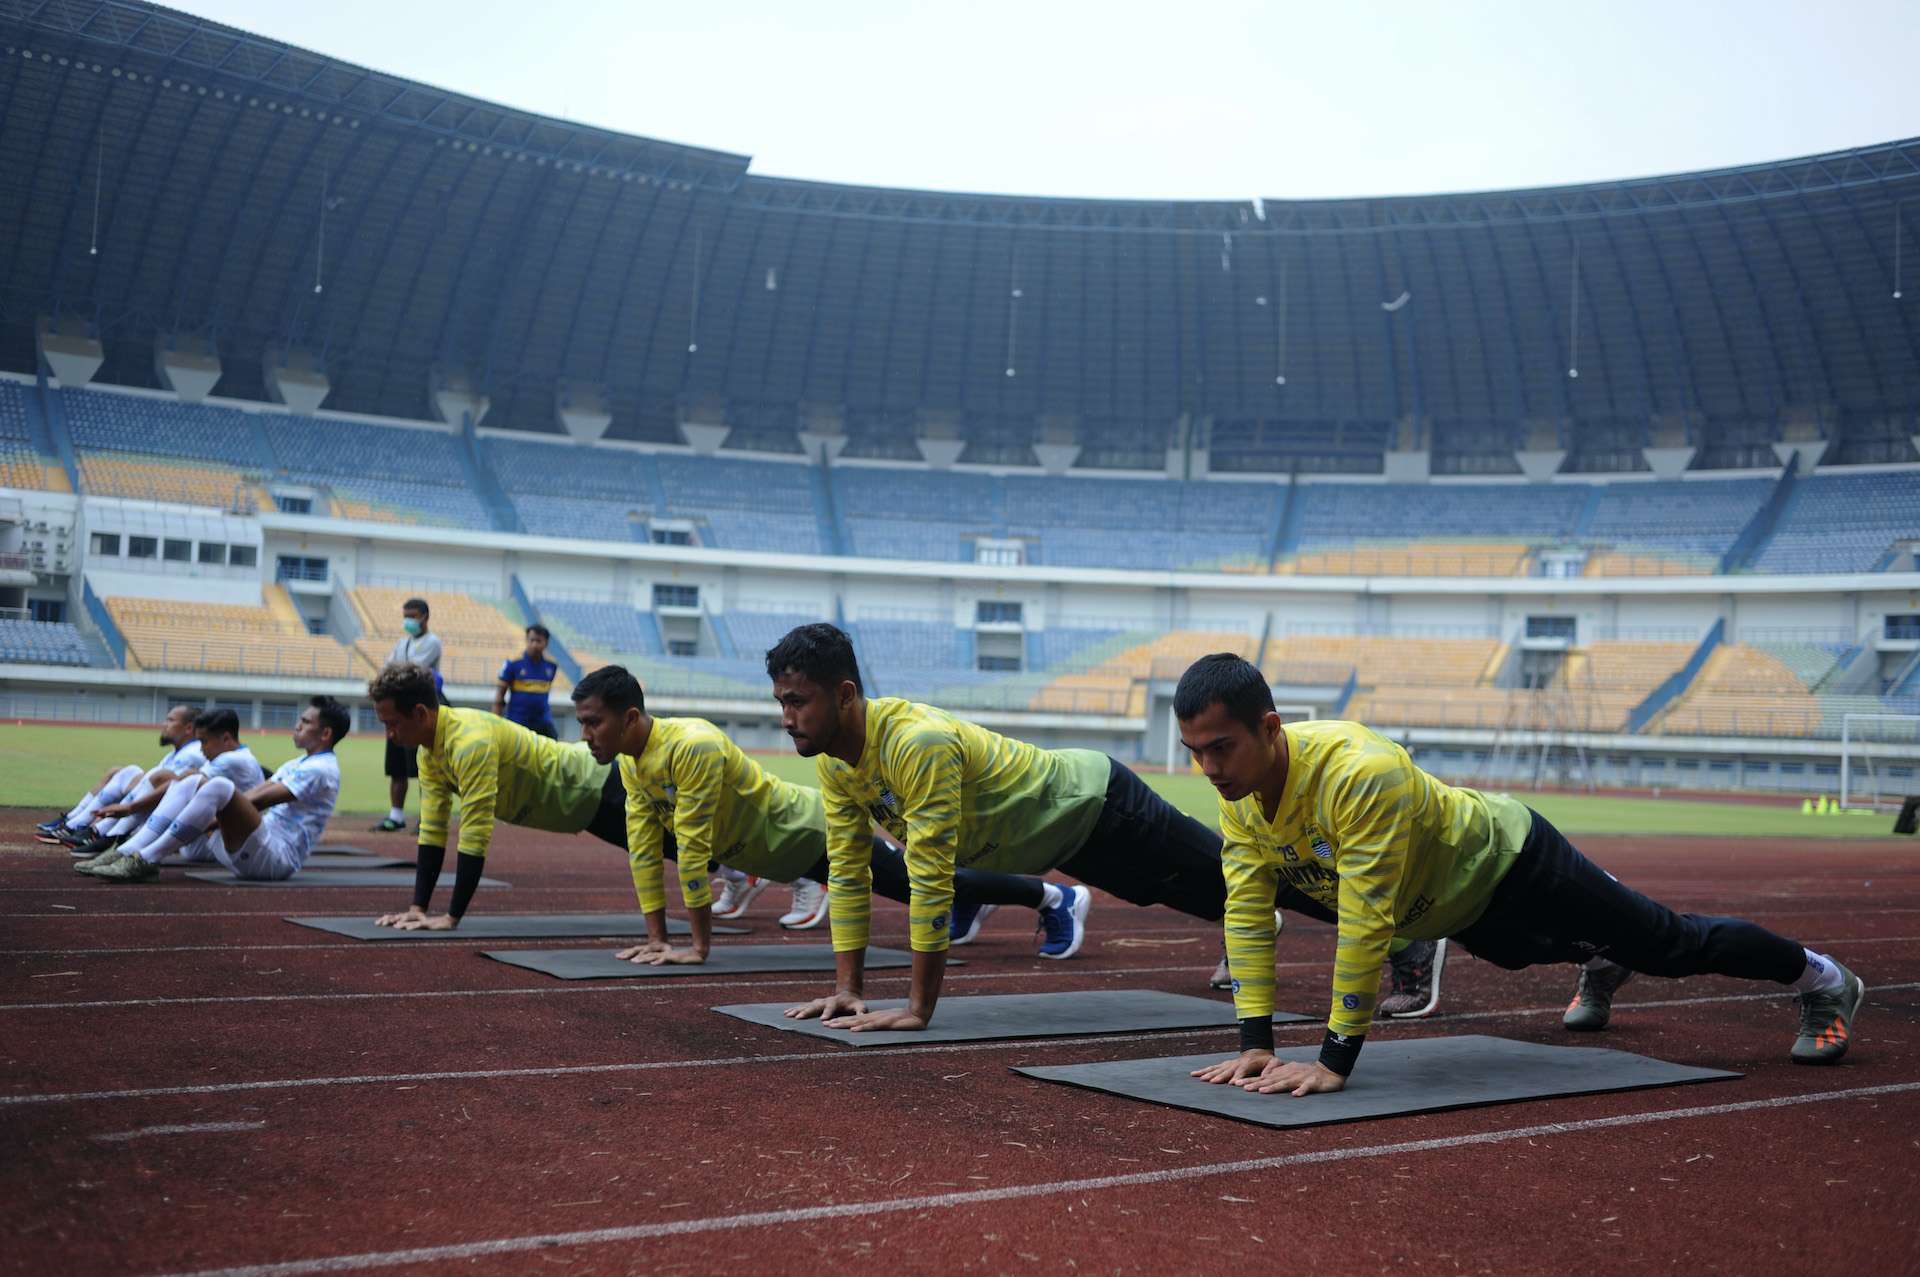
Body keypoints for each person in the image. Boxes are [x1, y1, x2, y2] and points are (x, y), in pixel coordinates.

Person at [1173, 653, 1866, 1101]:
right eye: (1195, 753)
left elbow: (1364, 920)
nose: (1208, 769)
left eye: (1221, 748)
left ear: (1269, 727)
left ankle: (1824, 980)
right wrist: (1255, 1044)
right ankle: (1600, 954)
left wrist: (1334, 1059)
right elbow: (1247, 912)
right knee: (1525, 952)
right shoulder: (1241, 798)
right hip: (1455, 911)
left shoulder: (1358, 772)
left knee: (1669, 945)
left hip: (1512, 861)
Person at [763, 623, 1341, 1034]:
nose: (788, 719)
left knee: (1260, 872)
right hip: (1068, 841)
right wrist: (849, 991)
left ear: (844, 695)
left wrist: (918, 1008)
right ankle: (1251, 928)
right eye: (781, 703)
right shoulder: (838, 764)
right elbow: (848, 868)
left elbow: (932, 878)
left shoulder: (918, 743)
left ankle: (1398, 934)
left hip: (1098, 803)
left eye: (798, 702)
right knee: (1170, 890)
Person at [570, 664, 1074, 965]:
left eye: (594, 722)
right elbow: (643, 848)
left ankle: (1054, 896)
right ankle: (985, 899)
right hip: (774, 856)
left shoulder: (692, 745)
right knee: (929, 884)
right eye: (583, 724)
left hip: (809, 836)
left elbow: (694, 845)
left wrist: (698, 949)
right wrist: (658, 940)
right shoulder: (634, 766)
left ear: (630, 717)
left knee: (924, 883)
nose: (586, 734)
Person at [367, 662, 627, 931]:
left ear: (420, 713)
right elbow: (432, 829)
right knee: (664, 848)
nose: (390, 735)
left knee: (670, 846)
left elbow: (475, 832)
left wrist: (451, 917)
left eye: (393, 723)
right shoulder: (428, 751)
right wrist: (417, 909)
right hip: (580, 810)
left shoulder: (471, 743)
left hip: (596, 784)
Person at [84, 697, 348, 884]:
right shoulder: (299, 763)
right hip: (257, 846)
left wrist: (209, 818)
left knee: (219, 787)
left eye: (305, 722)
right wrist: (209, 817)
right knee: (192, 781)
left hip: (274, 859)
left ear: (325, 733)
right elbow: (259, 792)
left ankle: (145, 859)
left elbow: (257, 800)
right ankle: (128, 851)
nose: (297, 725)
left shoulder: (321, 769)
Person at [73, 708, 266, 873]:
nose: (201, 750)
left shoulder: (232, 760)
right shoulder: (235, 757)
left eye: (204, 742)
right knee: (177, 780)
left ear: (226, 738)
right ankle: (125, 846)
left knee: (187, 780)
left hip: (222, 846)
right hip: (211, 840)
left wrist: (132, 807)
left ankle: (130, 848)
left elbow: (185, 781)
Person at [38, 704, 205, 849]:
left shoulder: (191, 755)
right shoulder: (178, 752)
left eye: (170, 720)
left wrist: (130, 804)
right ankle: (75, 821)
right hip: (158, 805)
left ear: (189, 728)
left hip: (167, 814)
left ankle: (96, 831)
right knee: (125, 771)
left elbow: (169, 789)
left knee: (148, 775)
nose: (164, 724)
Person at [373, 596, 442, 833]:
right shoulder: (401, 643)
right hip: (398, 711)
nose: (407, 621)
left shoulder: (433, 642)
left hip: (419, 712)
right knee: (397, 768)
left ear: (424, 617)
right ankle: (396, 816)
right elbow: (387, 668)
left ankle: (427, 818)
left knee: (424, 767)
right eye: (405, 616)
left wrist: (392, 671)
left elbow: (412, 671)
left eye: (411, 616)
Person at [495, 624, 559, 739]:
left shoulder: (552, 666)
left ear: (546, 643)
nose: (534, 644)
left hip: (542, 722)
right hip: (517, 722)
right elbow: (500, 695)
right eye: (531, 640)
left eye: (539, 641)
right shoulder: (513, 663)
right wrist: (495, 722)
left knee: (555, 748)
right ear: (526, 640)